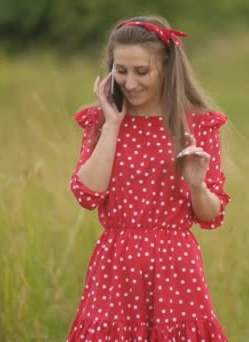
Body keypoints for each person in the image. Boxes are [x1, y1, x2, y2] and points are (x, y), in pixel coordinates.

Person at [66, 15, 231, 341]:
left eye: (142, 71)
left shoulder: (196, 125)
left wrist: (197, 185)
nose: (130, 82)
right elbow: (87, 195)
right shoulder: (100, 120)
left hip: (175, 264)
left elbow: (211, 215)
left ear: (167, 68)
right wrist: (113, 124)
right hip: (117, 263)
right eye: (121, 70)